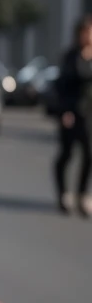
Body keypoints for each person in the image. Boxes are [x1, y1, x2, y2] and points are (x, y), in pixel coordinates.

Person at [54, 14, 92, 216]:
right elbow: (62, 86)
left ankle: (83, 194)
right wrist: (65, 111)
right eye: (85, 32)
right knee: (67, 154)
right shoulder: (71, 56)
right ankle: (63, 193)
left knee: (89, 155)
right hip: (72, 113)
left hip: (89, 115)